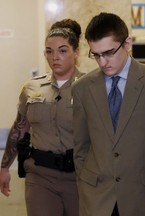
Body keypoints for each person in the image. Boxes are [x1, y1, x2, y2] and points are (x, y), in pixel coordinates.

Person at [72, 12, 145, 216]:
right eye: (96, 55)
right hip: (97, 197)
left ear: (127, 43)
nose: (103, 62)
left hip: (143, 196)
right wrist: (85, 180)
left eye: (109, 52)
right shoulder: (82, 88)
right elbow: (81, 145)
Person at [0, 19, 84, 216]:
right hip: (40, 176)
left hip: (80, 177)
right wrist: (4, 167)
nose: (55, 57)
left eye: (63, 51)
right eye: (49, 51)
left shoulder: (90, 87)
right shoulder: (32, 88)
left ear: (76, 52)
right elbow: (19, 128)